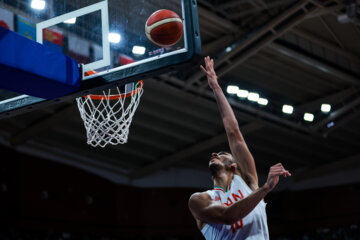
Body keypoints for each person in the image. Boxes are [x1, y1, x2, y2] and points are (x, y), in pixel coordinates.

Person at [188, 56, 291, 239]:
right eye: (216, 154)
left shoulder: (248, 183)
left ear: (234, 166)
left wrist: (216, 87)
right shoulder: (200, 199)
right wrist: (265, 189)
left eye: (222, 154)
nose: (215, 154)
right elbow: (228, 216)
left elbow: (233, 131)